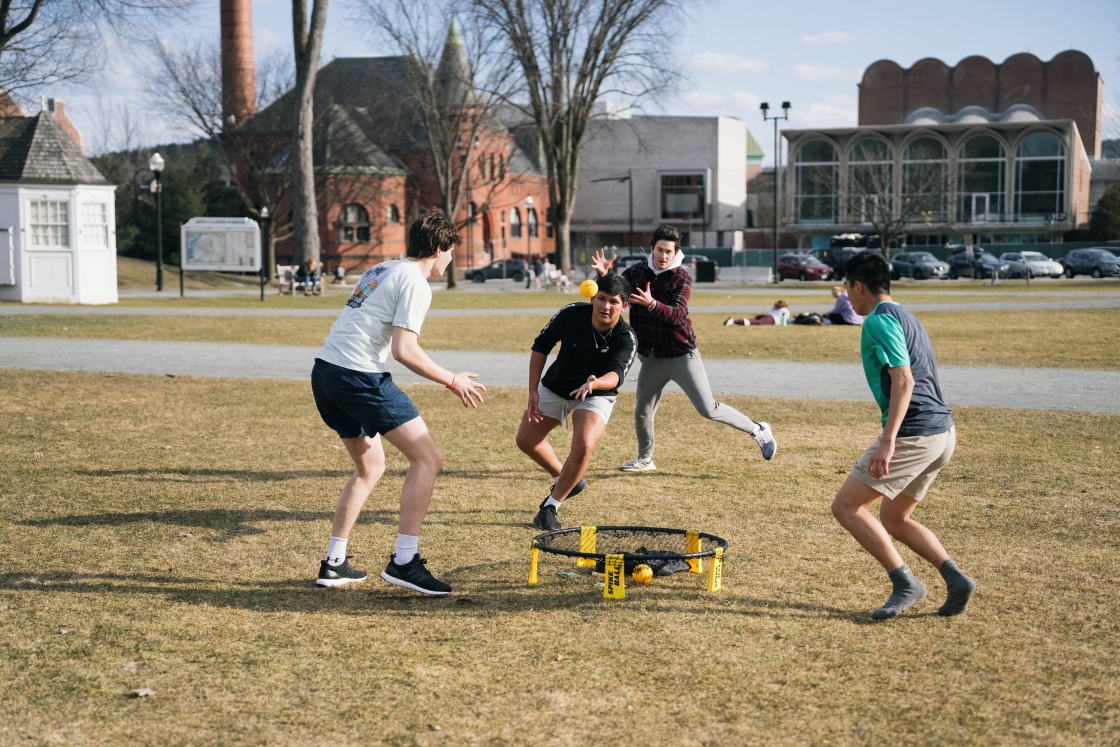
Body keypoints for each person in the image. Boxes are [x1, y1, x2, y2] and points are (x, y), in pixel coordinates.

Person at [311, 209, 486, 596]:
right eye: (451, 251)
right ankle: (404, 562)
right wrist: (452, 379)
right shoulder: (415, 282)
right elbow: (405, 350)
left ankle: (333, 563)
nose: (452, 259)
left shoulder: (381, 268)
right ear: (439, 247)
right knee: (428, 458)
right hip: (358, 376)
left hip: (325, 373)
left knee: (370, 466)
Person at [830, 251, 975, 620]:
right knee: (894, 518)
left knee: (846, 507)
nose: (847, 297)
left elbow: (904, 379)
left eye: (848, 289)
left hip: (915, 434)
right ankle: (956, 578)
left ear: (858, 286)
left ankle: (906, 584)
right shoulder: (905, 315)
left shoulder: (878, 321)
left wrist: (888, 440)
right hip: (943, 434)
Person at [591, 225, 776, 473]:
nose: (663, 255)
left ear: (675, 252)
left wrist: (652, 304)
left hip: (681, 355)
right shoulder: (635, 272)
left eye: (668, 251)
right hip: (652, 357)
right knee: (642, 413)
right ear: (652, 248)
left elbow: (678, 314)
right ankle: (645, 459)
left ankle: (758, 429)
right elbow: (612, 293)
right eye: (659, 249)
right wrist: (604, 276)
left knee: (707, 408)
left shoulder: (682, 277)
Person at [515, 272, 637, 531]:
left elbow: (616, 375)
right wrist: (532, 390)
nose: (606, 306)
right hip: (557, 385)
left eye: (614, 302)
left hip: (596, 393)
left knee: (583, 445)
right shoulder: (571, 313)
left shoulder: (626, 337)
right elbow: (541, 347)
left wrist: (595, 383)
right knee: (525, 440)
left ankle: (550, 507)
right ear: (592, 298)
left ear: (624, 306)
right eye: (601, 299)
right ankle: (568, 479)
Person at [723, 300, 789, 326]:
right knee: (758, 322)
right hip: (772, 319)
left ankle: (733, 321)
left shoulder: (775, 308)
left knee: (753, 320)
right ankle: (746, 322)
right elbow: (786, 319)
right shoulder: (785, 310)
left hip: (766, 315)